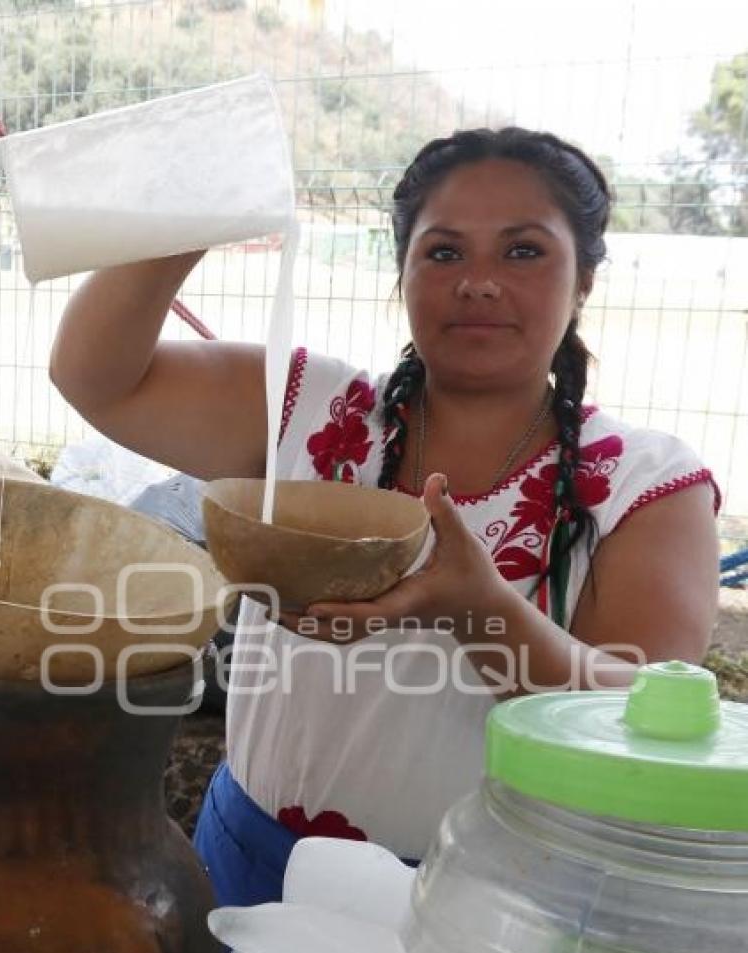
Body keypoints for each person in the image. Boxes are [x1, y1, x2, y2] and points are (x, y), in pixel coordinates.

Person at [50, 127, 720, 906]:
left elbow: (648, 726)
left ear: (585, 281)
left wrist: (482, 613)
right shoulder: (313, 410)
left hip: (479, 914)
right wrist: (185, 220)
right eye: (443, 252)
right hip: (246, 867)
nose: (477, 283)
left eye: (523, 251)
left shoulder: (642, 483)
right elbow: (96, 375)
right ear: (401, 271)